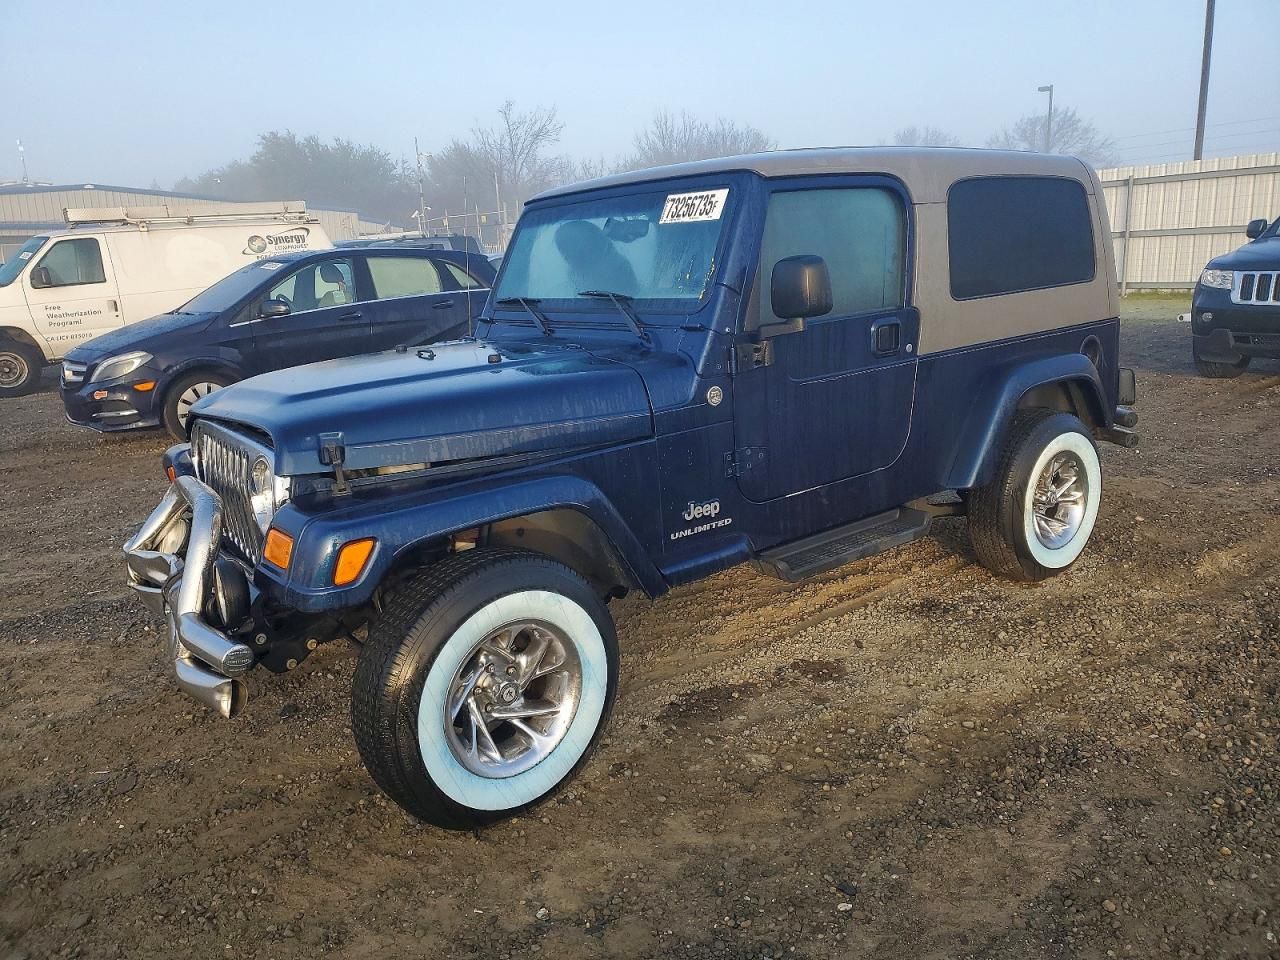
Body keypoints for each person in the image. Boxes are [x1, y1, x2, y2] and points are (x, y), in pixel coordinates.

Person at [553, 220, 637, 295]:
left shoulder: (617, 266)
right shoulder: (572, 276)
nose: (566, 257)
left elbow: (631, 299)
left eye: (569, 248)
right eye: (563, 250)